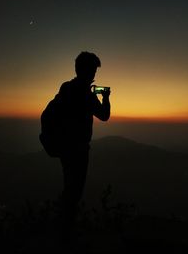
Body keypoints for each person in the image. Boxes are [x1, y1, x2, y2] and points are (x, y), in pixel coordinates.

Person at [54, 51, 111, 240]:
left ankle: (62, 227)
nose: (95, 74)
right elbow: (104, 116)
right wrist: (106, 98)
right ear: (86, 70)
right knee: (74, 190)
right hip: (78, 149)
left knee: (68, 186)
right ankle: (65, 232)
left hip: (64, 146)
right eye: (93, 70)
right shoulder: (86, 94)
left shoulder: (66, 88)